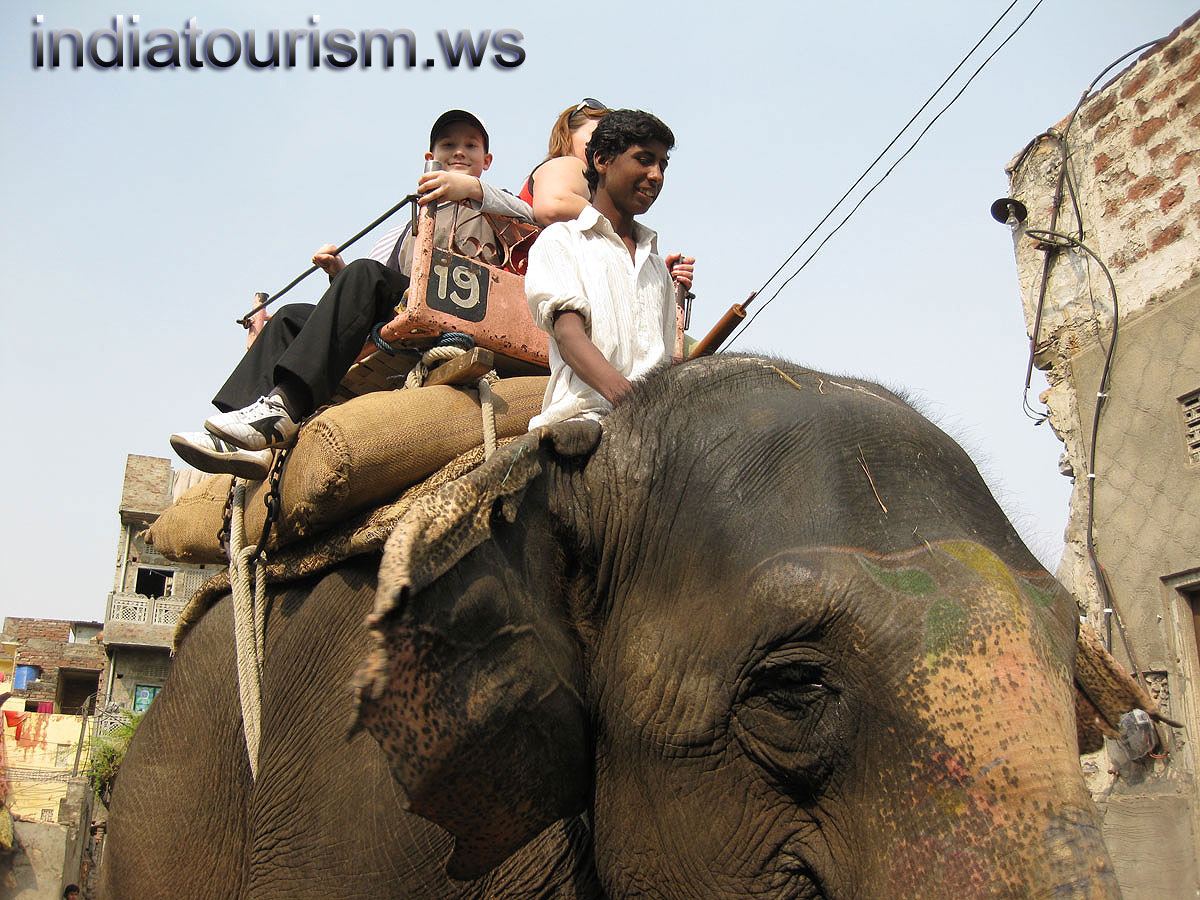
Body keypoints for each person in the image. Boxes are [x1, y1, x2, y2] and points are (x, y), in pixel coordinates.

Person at [170, 110, 532, 480]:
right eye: (448, 144)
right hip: (402, 309)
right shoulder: (403, 229)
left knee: (363, 273)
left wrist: (472, 190)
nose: (460, 152)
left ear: (487, 161)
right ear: (430, 157)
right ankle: (239, 429)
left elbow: (537, 217)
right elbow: (370, 290)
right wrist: (338, 273)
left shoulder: (498, 206)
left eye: (471, 146)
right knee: (290, 316)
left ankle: (287, 407)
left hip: (458, 312)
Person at [525, 109, 693, 429]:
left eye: (662, 164)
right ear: (602, 160)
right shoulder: (561, 241)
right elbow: (568, 335)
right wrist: (633, 405)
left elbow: (667, 363)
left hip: (650, 428)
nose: (656, 175)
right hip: (582, 420)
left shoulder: (657, 269)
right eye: (644, 159)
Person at [519, 98, 609, 225]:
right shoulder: (570, 163)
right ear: (568, 134)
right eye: (596, 135)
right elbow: (554, 205)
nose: (603, 145)